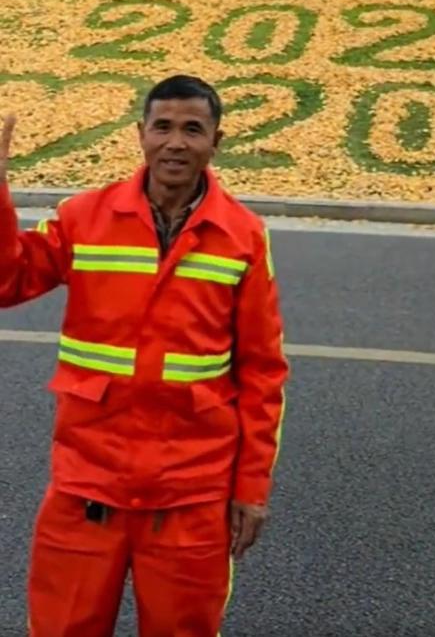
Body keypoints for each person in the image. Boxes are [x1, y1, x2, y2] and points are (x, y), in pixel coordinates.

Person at [0, 75, 289, 637]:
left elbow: (262, 372)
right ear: (141, 134)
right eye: (163, 127)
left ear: (216, 141)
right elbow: (7, 281)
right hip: (88, 488)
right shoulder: (84, 217)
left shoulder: (243, 237)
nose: (175, 142)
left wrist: (251, 489)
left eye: (193, 129)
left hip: (190, 496)